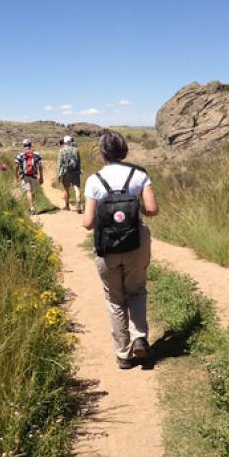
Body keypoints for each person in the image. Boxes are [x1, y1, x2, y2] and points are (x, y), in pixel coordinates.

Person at [82, 131, 159, 369]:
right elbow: (152, 209)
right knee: (136, 290)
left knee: (114, 298)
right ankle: (139, 338)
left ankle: (124, 354)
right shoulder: (139, 175)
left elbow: (88, 222)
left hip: (107, 247)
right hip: (136, 242)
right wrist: (134, 210)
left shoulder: (94, 180)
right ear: (124, 149)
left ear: (102, 152)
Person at [14, 139, 44, 215]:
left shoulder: (20, 155)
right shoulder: (36, 154)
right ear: (31, 145)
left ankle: (31, 207)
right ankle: (32, 207)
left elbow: (17, 165)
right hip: (34, 175)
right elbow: (40, 166)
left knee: (28, 191)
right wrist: (41, 177)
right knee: (32, 192)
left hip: (25, 176)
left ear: (23, 145)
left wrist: (16, 175)